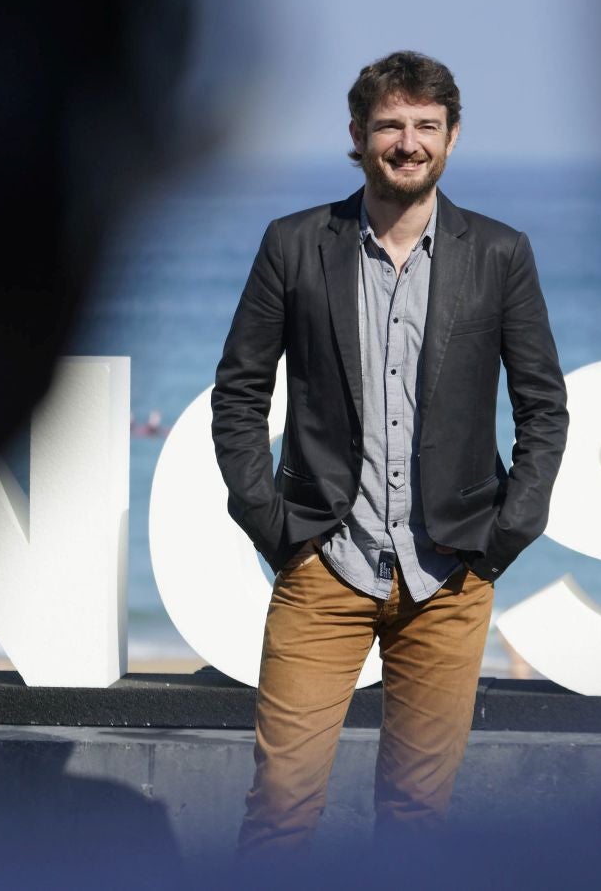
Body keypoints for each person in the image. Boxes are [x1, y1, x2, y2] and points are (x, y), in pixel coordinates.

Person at [210, 50, 569, 856]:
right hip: (323, 572)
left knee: (415, 824)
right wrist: (275, 528)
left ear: (452, 137)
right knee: (279, 811)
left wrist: (504, 537)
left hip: (450, 579)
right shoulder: (295, 245)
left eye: (425, 126)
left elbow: (542, 405)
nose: (408, 142)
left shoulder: (500, 254)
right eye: (390, 126)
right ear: (358, 134)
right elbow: (238, 394)